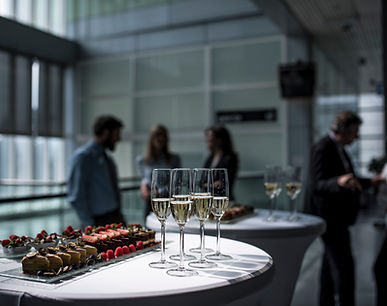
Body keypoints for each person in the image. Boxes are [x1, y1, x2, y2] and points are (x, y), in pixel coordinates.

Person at [304, 111, 382, 306]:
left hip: (337, 217)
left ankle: (326, 302)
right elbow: (317, 184)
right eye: (355, 132)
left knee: (330, 268)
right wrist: (338, 182)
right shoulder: (323, 147)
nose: (357, 137)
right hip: (329, 218)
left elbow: (349, 180)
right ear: (344, 131)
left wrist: (372, 181)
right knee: (344, 267)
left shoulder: (339, 148)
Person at [68, 115, 126, 227]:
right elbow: (76, 196)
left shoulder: (106, 158)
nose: (119, 138)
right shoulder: (83, 157)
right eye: (116, 134)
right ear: (106, 132)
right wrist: (90, 225)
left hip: (115, 217)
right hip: (97, 222)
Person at [136, 124, 181, 217]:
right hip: (151, 203)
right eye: (157, 135)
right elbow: (145, 178)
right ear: (151, 139)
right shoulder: (142, 160)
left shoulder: (174, 159)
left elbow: (177, 182)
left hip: (168, 202)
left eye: (162, 136)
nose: (160, 139)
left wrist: (160, 191)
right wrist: (144, 187)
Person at [203, 124, 238, 201]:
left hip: (223, 200)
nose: (207, 140)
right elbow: (201, 181)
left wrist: (207, 185)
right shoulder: (210, 158)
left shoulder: (230, 158)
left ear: (219, 140)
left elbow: (224, 183)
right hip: (209, 201)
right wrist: (212, 184)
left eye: (210, 138)